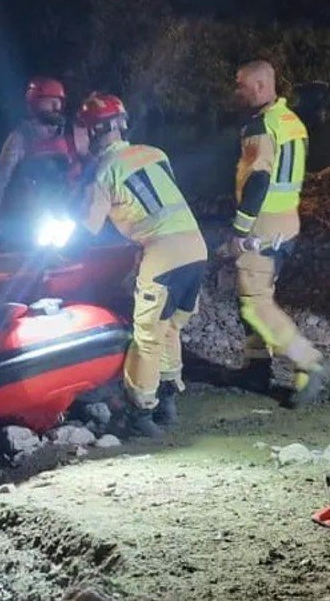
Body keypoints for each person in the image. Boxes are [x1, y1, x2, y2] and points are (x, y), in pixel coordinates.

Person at [74, 92, 207, 438]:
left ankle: (139, 415)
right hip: (196, 249)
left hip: (162, 254)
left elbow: (86, 229)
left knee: (147, 337)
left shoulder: (102, 172)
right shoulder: (155, 154)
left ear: (90, 132)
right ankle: (167, 403)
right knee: (170, 328)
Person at [230, 60, 327, 407]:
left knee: (253, 301)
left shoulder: (259, 126)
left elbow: (259, 179)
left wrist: (240, 228)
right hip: (288, 223)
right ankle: (258, 364)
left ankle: (306, 361)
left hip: (264, 224)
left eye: (241, 85)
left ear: (259, 86)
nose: (236, 91)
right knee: (261, 294)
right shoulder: (291, 121)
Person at [0, 76, 82, 243]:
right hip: (32, 216)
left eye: (59, 101)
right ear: (35, 102)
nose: (56, 107)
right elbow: (1, 179)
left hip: (68, 213)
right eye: (50, 101)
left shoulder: (70, 135)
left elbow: (84, 170)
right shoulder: (20, 137)